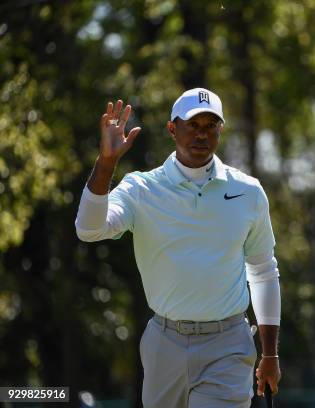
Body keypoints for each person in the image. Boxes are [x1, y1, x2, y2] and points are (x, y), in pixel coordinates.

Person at [75, 88, 281, 407]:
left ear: (220, 130)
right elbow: (88, 229)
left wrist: (270, 353)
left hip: (228, 344)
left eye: (210, 126)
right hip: (164, 342)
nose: (202, 134)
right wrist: (106, 162)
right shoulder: (141, 188)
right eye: (193, 125)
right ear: (172, 129)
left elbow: (263, 271)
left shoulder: (247, 192)